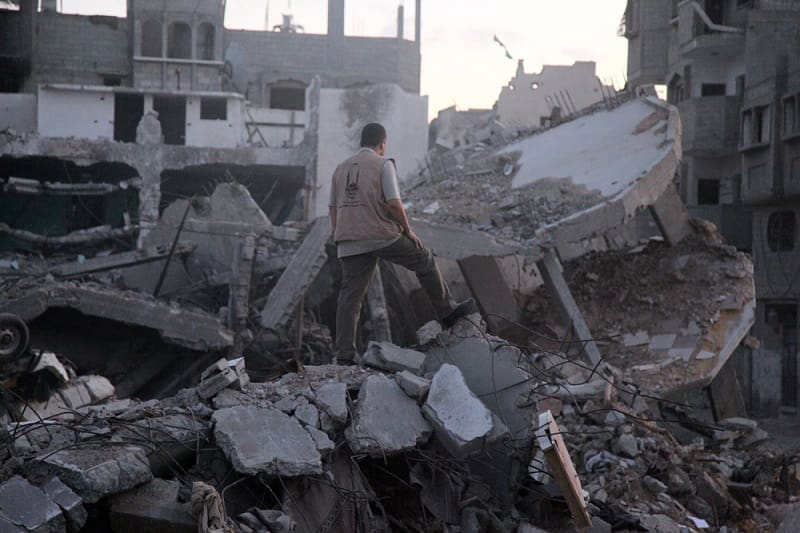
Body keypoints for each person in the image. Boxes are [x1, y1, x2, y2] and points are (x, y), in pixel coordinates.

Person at [329, 123, 475, 364]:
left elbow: (333, 208)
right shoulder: (383, 164)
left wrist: (340, 235)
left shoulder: (339, 169)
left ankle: (344, 354)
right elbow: (394, 203)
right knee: (424, 259)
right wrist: (408, 231)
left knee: (349, 298)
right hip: (380, 235)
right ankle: (447, 311)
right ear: (382, 143)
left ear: (361, 142)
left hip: (348, 240)